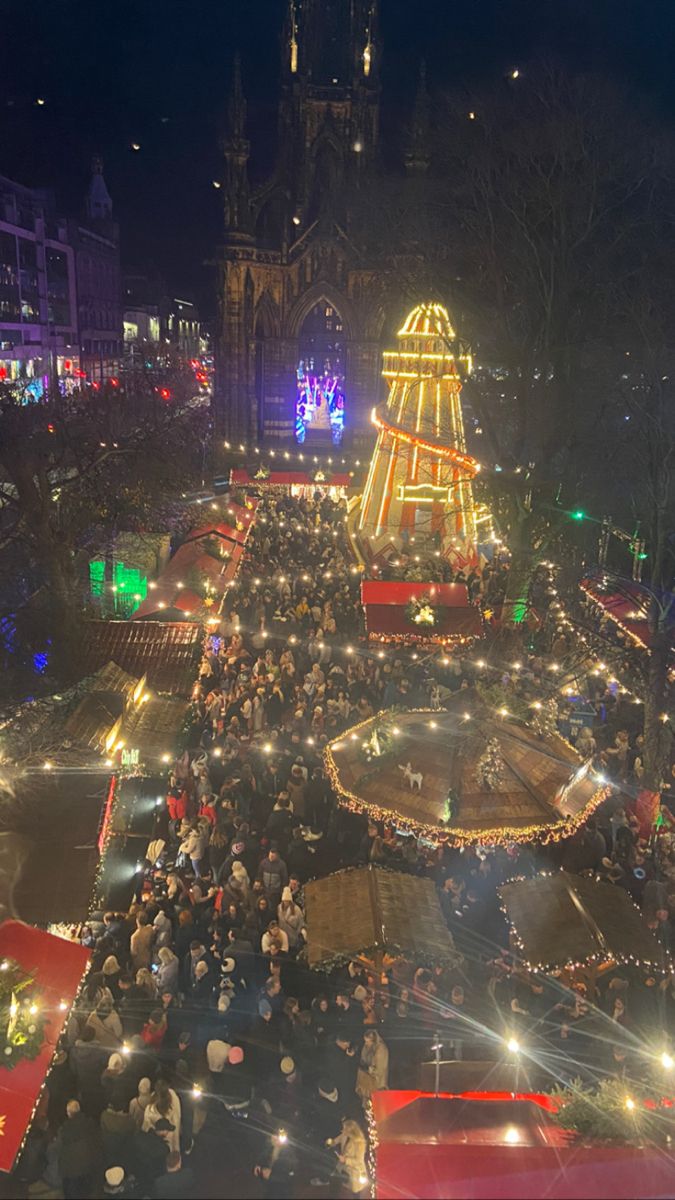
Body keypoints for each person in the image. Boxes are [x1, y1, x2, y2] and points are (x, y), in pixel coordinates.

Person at [57, 1099, 101, 1199]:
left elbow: (59, 1149)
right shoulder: (90, 1123)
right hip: (88, 1167)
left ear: (68, 1113)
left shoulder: (64, 1129)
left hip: (71, 1172)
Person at [142, 1077, 182, 1153]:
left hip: (156, 1145)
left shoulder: (149, 1110)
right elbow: (178, 1118)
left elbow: (146, 1128)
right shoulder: (173, 1097)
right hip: (171, 1140)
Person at [331, 1117, 368, 1194]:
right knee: (335, 1181)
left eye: (344, 1129)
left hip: (355, 1170)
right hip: (343, 1166)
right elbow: (337, 1140)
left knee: (355, 1190)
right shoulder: (344, 1135)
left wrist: (346, 1160)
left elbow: (358, 1161)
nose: (342, 1130)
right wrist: (331, 1142)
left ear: (350, 1132)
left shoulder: (360, 1143)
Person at [356, 1030, 389, 1099]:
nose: (366, 1043)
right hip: (365, 1084)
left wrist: (368, 1068)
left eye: (368, 1041)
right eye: (365, 1041)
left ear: (374, 1041)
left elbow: (380, 1070)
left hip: (376, 1084)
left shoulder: (381, 1050)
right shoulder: (366, 1047)